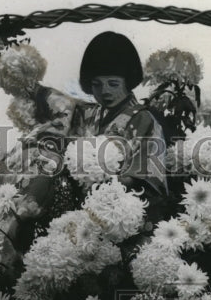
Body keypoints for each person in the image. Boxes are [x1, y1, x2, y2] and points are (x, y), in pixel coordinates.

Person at [71, 31, 168, 215]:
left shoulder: (144, 119)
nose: (105, 91)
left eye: (113, 84)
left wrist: (103, 179)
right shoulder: (87, 115)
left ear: (128, 82)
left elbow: (148, 178)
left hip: (124, 211)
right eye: (97, 85)